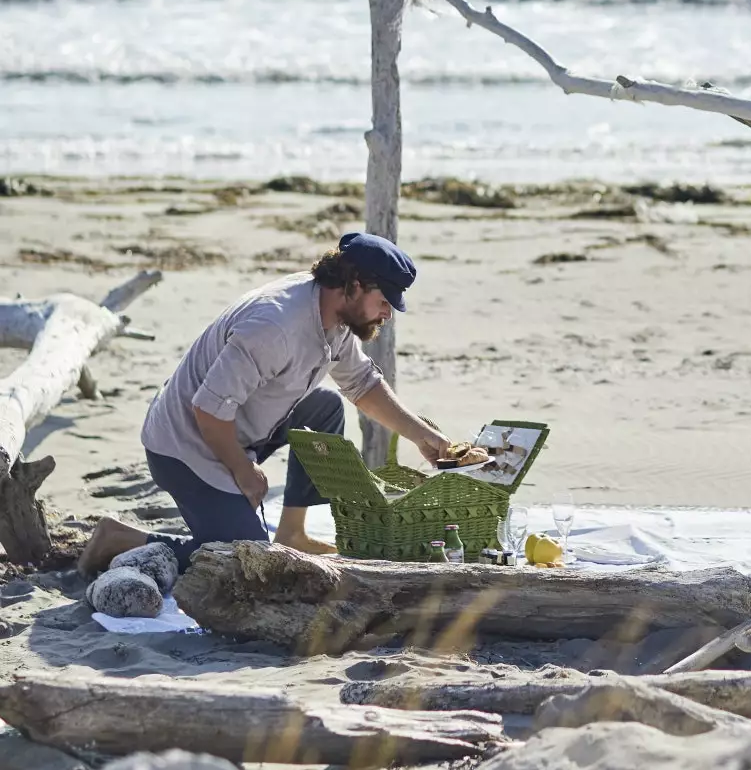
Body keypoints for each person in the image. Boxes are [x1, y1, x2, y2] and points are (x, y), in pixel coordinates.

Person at [78, 230, 483, 577]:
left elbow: (361, 385)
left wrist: (426, 438)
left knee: (324, 407)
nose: (388, 313)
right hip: (187, 445)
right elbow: (207, 410)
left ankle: (292, 532)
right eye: (385, 299)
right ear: (354, 284)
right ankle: (120, 538)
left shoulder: (333, 313)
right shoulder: (275, 327)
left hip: (238, 425)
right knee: (248, 562)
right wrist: (243, 470)